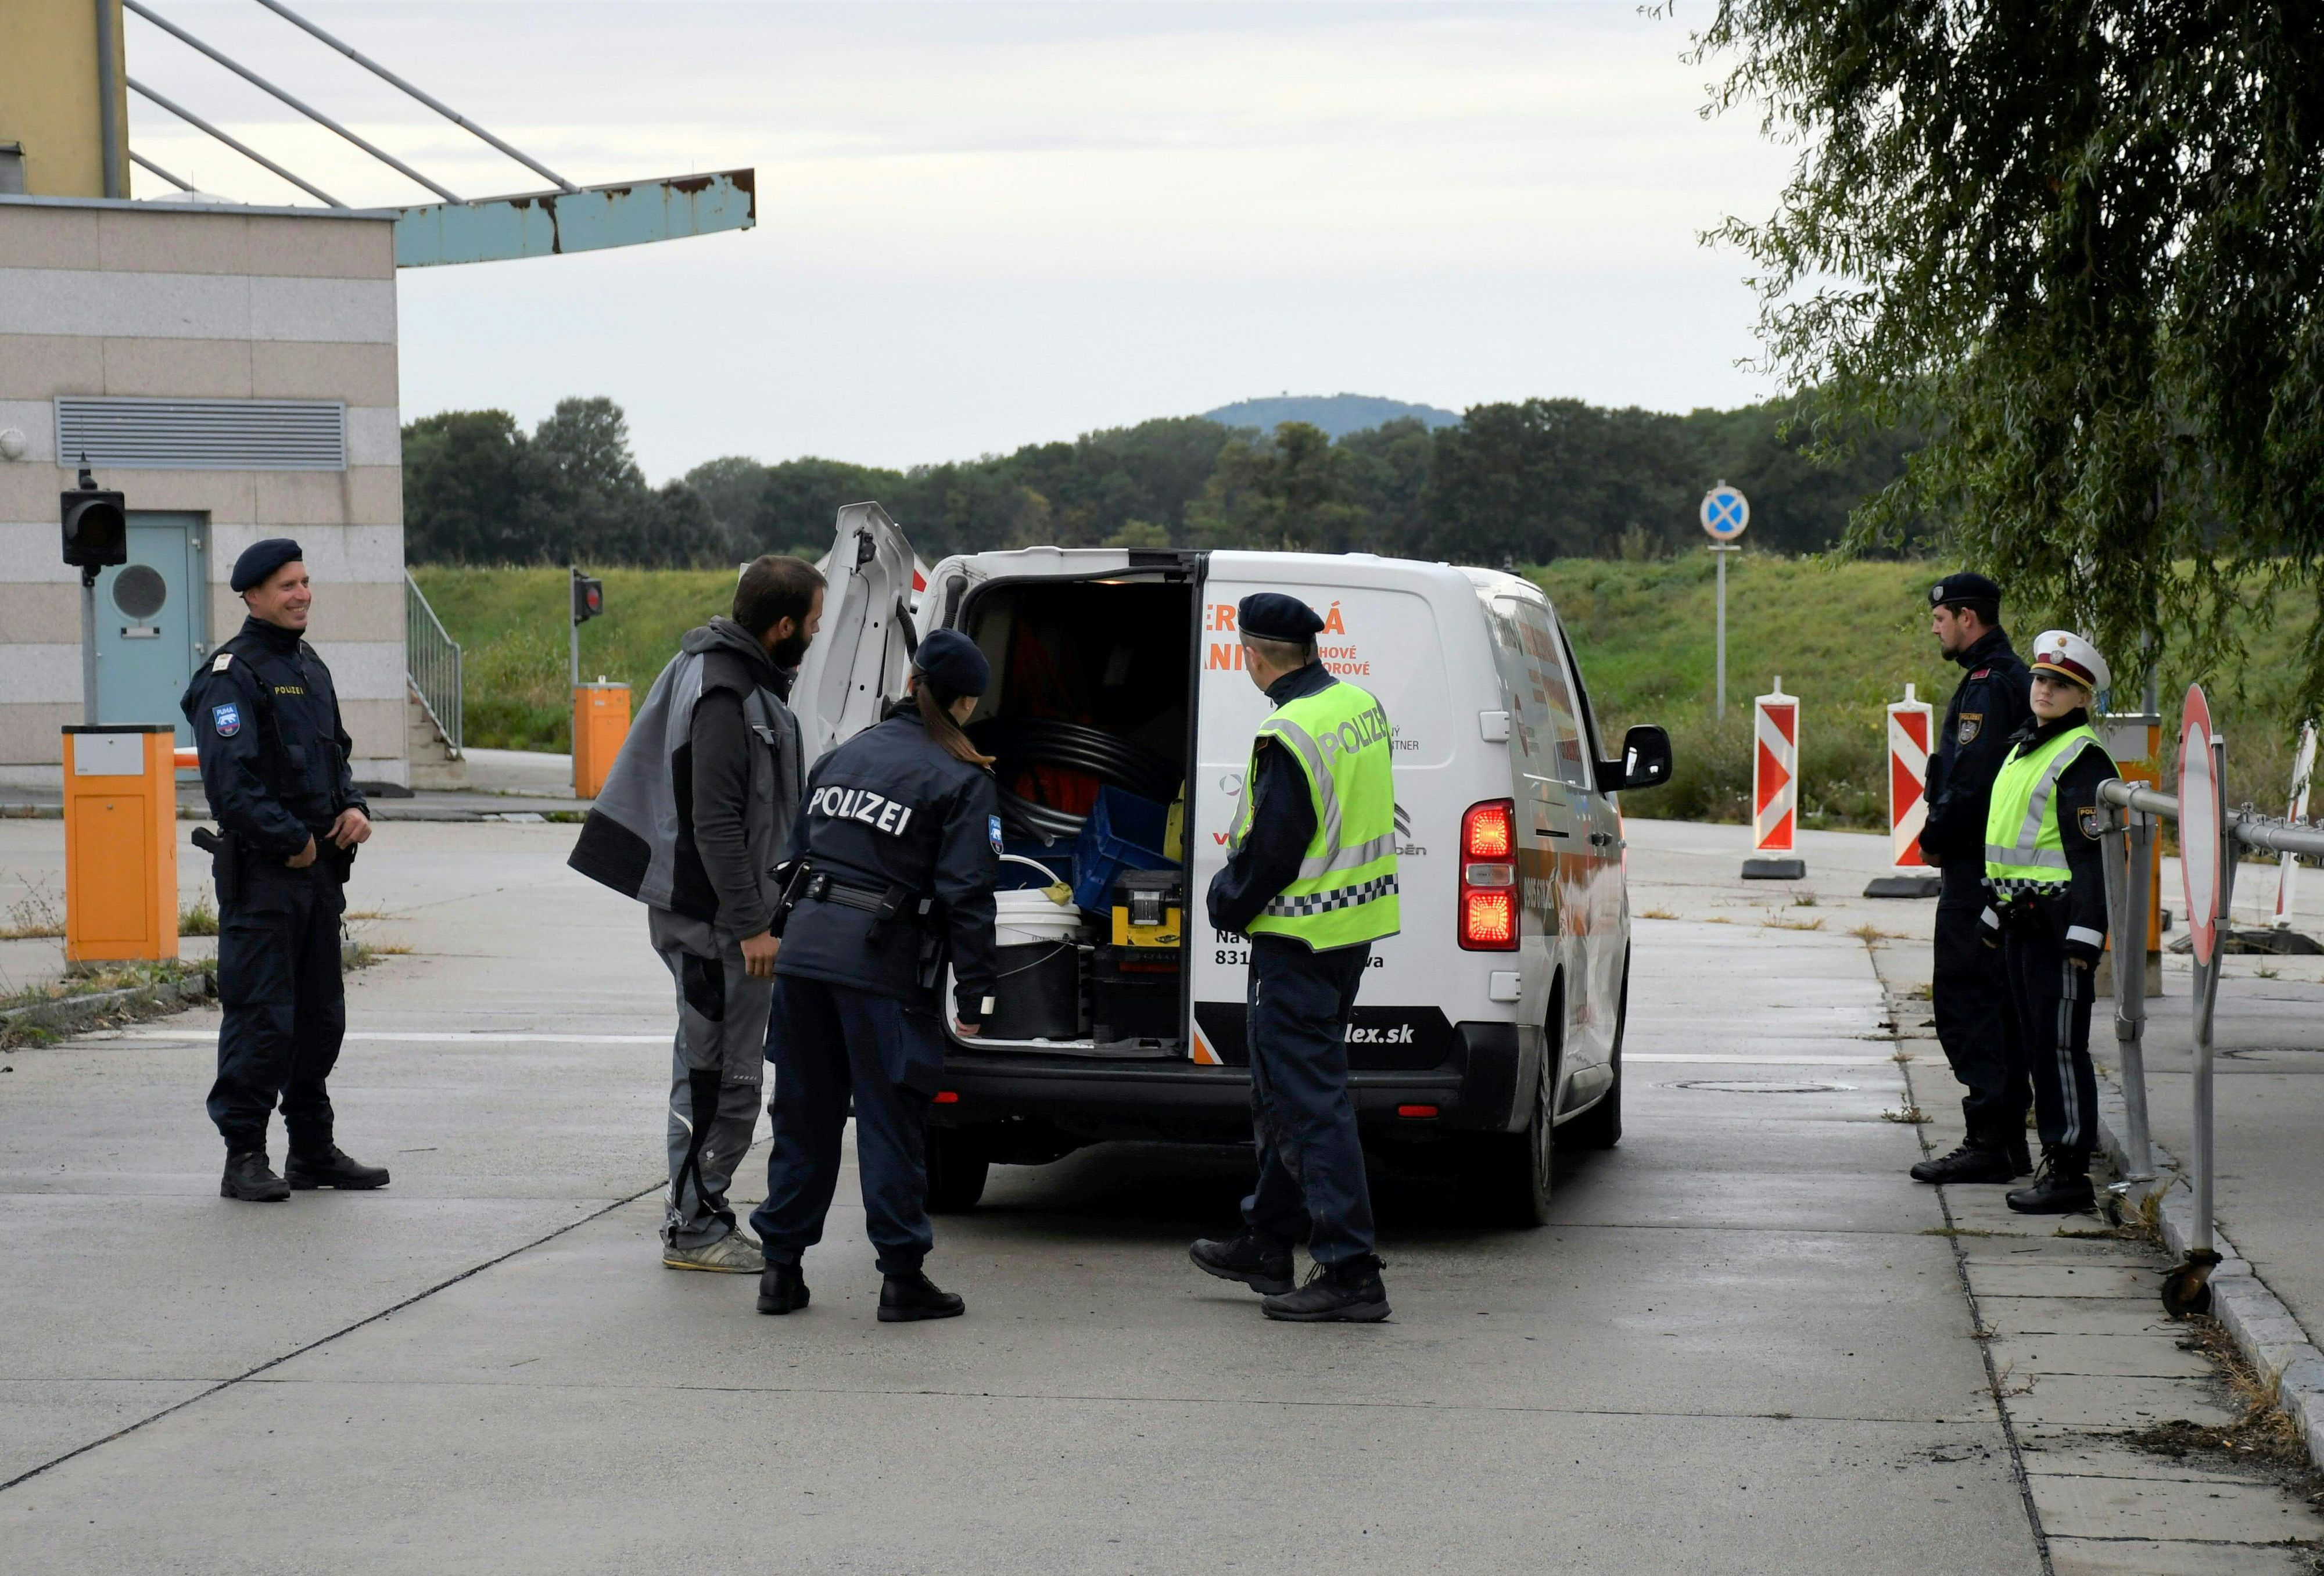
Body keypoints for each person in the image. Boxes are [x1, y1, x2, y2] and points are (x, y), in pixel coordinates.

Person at [568, 555, 822, 1272]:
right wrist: (751, 926)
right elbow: (715, 824)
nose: (815, 632)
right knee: (719, 1075)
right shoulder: (725, 693)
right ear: (782, 627)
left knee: (717, 1068)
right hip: (717, 925)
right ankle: (695, 1228)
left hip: (720, 918)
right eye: (813, 621)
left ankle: (701, 1213)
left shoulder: (732, 676)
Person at [749, 629, 1002, 1323]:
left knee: (804, 1113)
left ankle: (780, 1271)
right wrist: (977, 991)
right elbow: (967, 896)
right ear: (965, 702)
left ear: (911, 681)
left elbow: (796, 857)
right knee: (890, 1121)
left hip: (804, 960)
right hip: (880, 967)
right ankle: (900, 1277)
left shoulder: (842, 756)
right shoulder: (960, 778)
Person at [1190, 593, 1400, 1323]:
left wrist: (1224, 899)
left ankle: (1349, 1269)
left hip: (1298, 939)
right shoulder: (1356, 702)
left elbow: (1275, 846)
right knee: (1289, 1092)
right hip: (1349, 931)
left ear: (1252, 655)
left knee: (1306, 1103)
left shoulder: (1288, 729)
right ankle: (1268, 1239)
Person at [180, 539, 382, 1203]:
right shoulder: (230, 675)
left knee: (320, 1016)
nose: (302, 595)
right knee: (263, 1017)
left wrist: (352, 806)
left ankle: (312, 1150)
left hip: (319, 877)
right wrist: (291, 840)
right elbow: (229, 785)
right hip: (266, 878)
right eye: (287, 586)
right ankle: (244, 1155)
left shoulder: (310, 667)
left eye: (305, 582)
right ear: (253, 596)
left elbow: (336, 758)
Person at [1982, 630, 2119, 1215]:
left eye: (2059, 685)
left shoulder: (2082, 759)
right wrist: (1992, 908)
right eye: (2040, 679)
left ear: (2081, 697)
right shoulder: (2024, 748)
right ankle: (2054, 1160)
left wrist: (2087, 935)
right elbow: (2009, 841)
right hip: (2020, 919)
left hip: (2058, 929)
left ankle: (2067, 1170)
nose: (2043, 689)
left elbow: (2094, 857)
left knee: (2059, 1047)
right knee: (2036, 1044)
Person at [1909, 572, 2037, 1185]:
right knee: (1995, 1003)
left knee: (1968, 1000)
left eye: (1940, 617)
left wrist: (1933, 838)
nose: (1933, 626)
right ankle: (2004, 1140)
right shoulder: (2003, 679)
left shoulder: (1988, 686)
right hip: (1997, 869)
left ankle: (1989, 1140)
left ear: (1967, 618)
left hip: (1976, 870)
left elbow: (1972, 779)